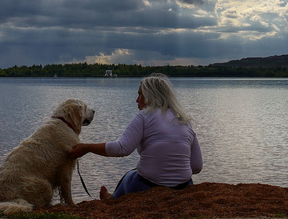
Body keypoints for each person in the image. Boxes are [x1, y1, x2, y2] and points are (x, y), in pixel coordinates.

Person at [68, 74, 201, 200]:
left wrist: (87, 147)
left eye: (140, 95)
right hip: (184, 187)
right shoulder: (185, 121)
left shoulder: (145, 116)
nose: (137, 100)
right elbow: (196, 166)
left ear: (150, 97)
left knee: (131, 175)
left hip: (147, 186)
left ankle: (112, 199)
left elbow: (122, 148)